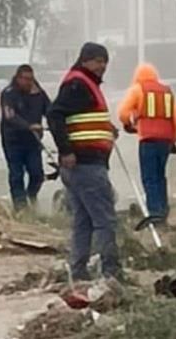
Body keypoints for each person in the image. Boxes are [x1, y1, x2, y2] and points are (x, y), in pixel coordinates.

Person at [48, 42, 122, 281]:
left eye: (105, 62)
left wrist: (106, 128)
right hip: (85, 164)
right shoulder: (79, 84)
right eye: (99, 61)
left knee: (84, 221)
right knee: (105, 221)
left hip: (83, 165)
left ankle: (79, 271)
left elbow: (80, 118)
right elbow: (55, 114)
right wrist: (65, 150)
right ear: (85, 60)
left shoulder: (83, 84)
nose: (103, 66)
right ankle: (110, 273)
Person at [118, 63, 176, 225]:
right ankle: (163, 210)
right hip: (165, 141)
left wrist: (130, 123)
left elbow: (123, 112)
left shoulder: (138, 89)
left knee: (150, 177)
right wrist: (174, 140)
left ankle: (155, 213)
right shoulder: (167, 91)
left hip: (148, 139)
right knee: (160, 176)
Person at [0, 64, 51, 210]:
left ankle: (31, 195)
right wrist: (28, 126)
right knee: (16, 174)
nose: (28, 82)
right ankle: (20, 206)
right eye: (25, 79)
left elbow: (50, 110)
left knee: (37, 174)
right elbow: (10, 116)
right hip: (13, 141)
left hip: (32, 141)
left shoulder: (39, 93)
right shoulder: (9, 94)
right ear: (18, 78)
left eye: (30, 79)